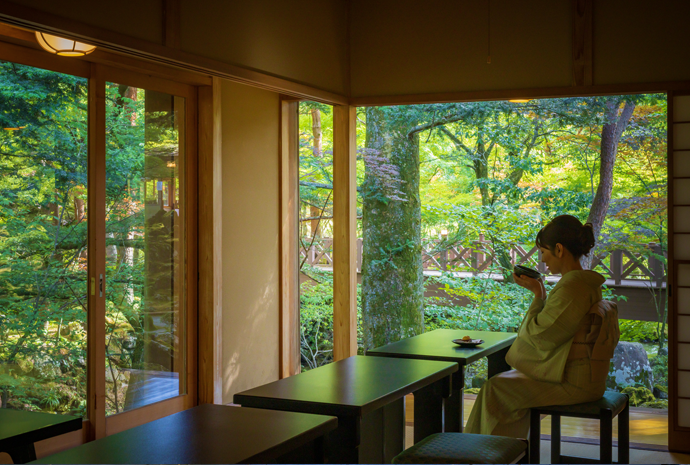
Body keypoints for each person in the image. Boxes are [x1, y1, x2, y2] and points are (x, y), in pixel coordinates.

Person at [464, 214, 618, 438]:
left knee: (495, 389)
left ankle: (484, 455)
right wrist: (542, 292)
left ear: (559, 249)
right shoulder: (583, 282)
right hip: (582, 376)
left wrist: (538, 294)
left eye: (544, 252)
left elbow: (540, 337)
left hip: (574, 382)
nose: (543, 260)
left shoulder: (573, 287)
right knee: (500, 387)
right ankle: (500, 454)